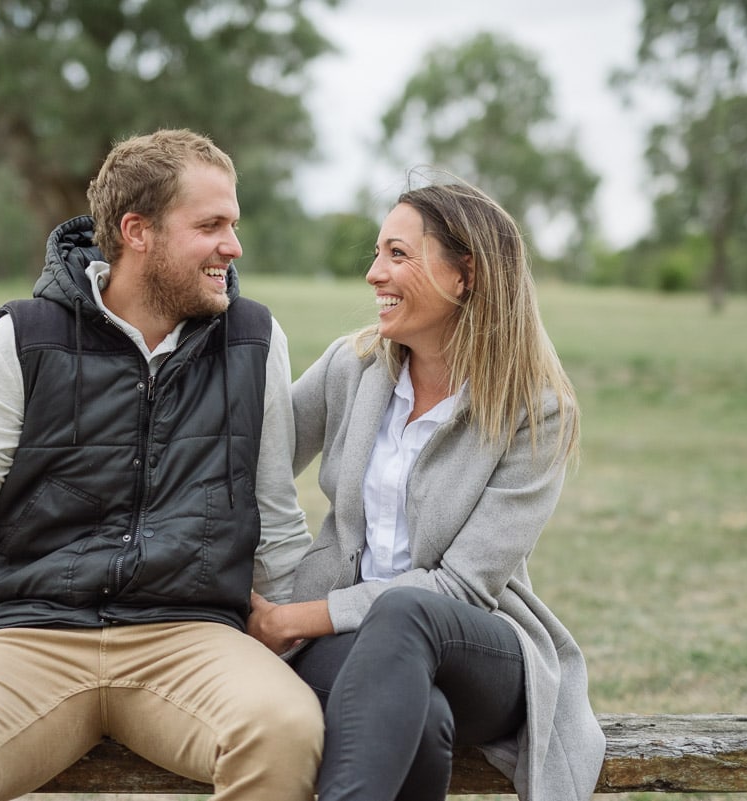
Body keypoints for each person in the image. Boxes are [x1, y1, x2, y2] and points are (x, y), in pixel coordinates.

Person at [0, 129, 323, 801]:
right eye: (211, 225)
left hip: (191, 638)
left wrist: (314, 653)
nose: (234, 247)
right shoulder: (18, 341)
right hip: (31, 637)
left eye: (233, 224)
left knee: (285, 728)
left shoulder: (254, 341)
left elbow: (274, 521)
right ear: (138, 231)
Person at [248, 176, 606, 801]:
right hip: (356, 645)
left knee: (407, 611)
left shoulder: (536, 411)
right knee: (423, 721)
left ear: (464, 273)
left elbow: (464, 586)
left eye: (397, 254)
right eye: (377, 252)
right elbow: (252, 459)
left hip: (479, 647)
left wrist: (295, 617)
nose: (373, 274)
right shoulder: (351, 366)